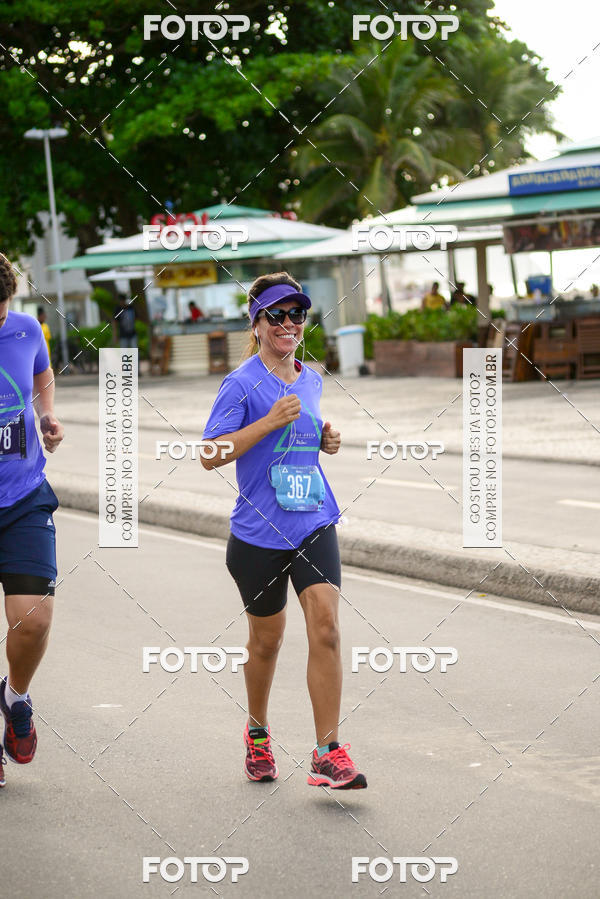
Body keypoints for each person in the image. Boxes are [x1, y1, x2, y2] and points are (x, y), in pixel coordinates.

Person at [202, 271, 367, 790]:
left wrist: (324, 438)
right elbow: (210, 454)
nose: (289, 323)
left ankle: (327, 751)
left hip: (313, 521)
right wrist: (267, 422)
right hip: (257, 536)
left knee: (327, 628)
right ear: (256, 324)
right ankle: (257, 732)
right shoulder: (241, 383)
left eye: (297, 314)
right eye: (277, 314)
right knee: (267, 642)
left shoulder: (312, 378)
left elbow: (305, 432)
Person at [0, 254, 64, 789]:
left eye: (3, 309)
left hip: (23, 494)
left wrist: (46, 415)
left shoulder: (24, 328)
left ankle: (15, 696)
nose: (0, 319)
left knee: (35, 619)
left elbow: (42, 373)